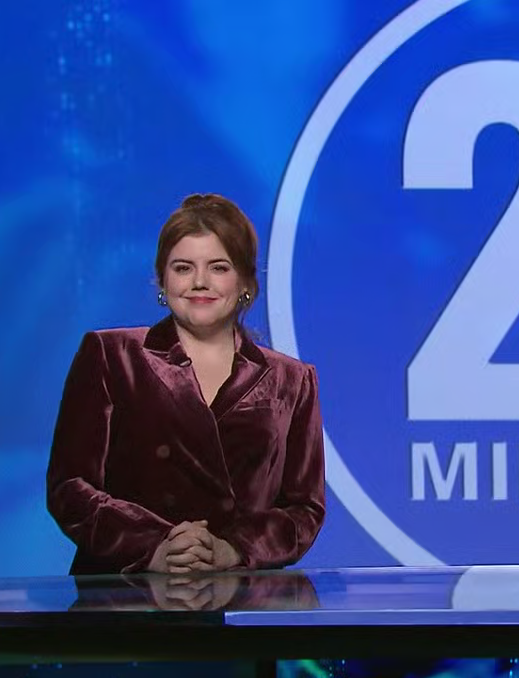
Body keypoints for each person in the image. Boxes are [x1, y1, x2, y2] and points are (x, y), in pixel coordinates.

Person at [47, 193, 325, 575]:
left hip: (237, 596)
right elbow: (70, 486)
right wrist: (155, 546)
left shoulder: (292, 381)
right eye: (183, 268)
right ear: (162, 280)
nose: (199, 282)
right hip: (122, 593)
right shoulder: (110, 356)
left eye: (218, 267)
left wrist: (233, 549)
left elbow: (304, 510)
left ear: (245, 281)